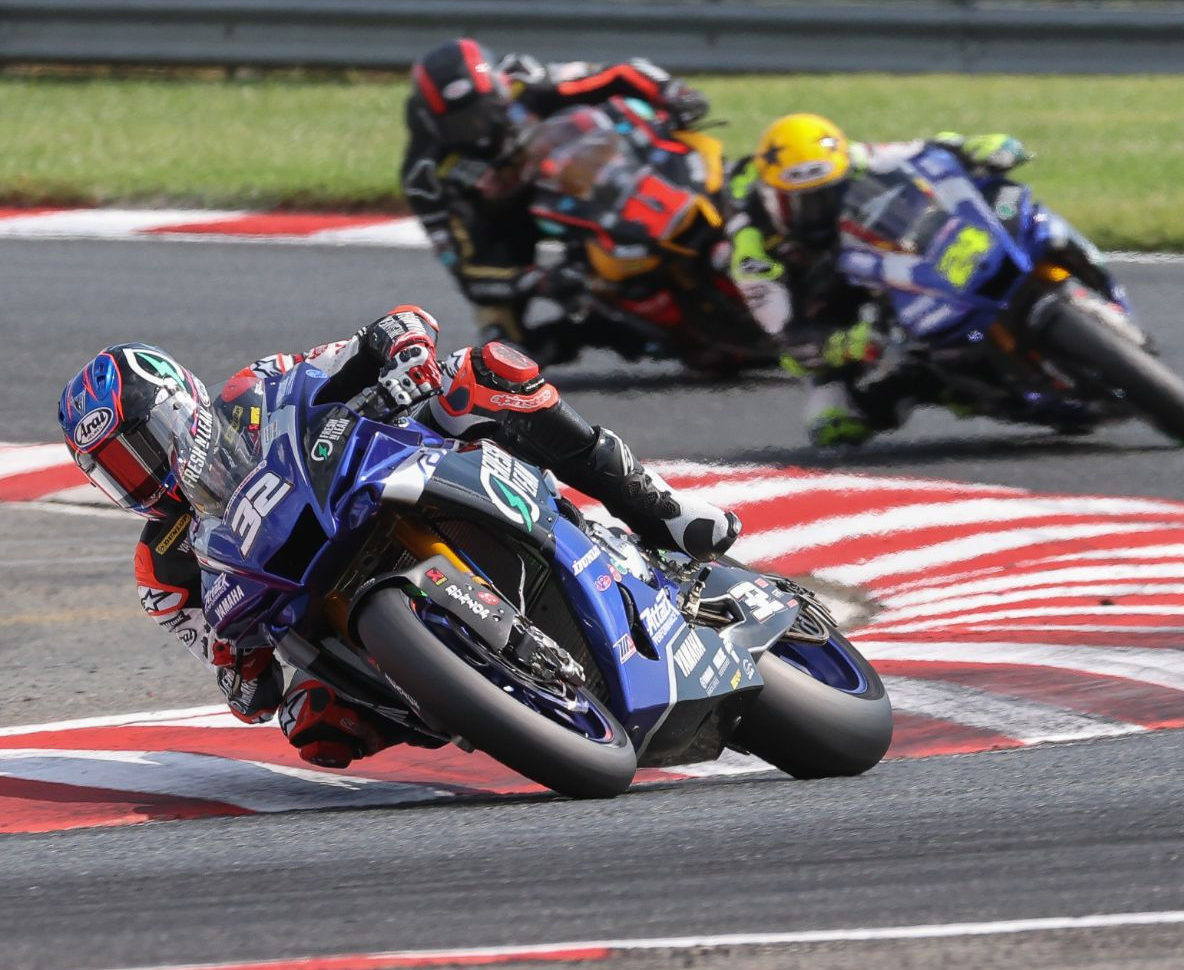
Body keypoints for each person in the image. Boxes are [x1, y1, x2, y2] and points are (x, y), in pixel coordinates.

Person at [57, 306, 740, 770]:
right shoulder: (162, 567)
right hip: (313, 603)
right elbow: (248, 695)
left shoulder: (252, 391)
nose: (138, 476)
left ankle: (660, 510)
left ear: (178, 408)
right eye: (114, 468)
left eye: (139, 448)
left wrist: (398, 347)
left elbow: (370, 342)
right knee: (313, 723)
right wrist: (238, 662)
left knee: (488, 372)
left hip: (383, 475)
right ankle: (486, 701)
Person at [724, 113, 1049, 446]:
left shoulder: (853, 158)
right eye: (801, 201)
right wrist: (848, 344)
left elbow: (922, 151)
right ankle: (956, 388)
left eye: (826, 195)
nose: (816, 209)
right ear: (771, 195)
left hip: (884, 251)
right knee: (837, 425)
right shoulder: (753, 252)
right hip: (831, 305)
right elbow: (788, 337)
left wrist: (975, 147)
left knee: (996, 198)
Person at [401, 38, 711, 362]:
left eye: (484, 112)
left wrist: (673, 92)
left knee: (658, 122)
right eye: (462, 124)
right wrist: (540, 280)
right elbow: (468, 271)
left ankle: (716, 190)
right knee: (498, 342)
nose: (478, 130)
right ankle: (578, 333)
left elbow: (619, 73)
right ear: (434, 122)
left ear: (498, 90)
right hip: (517, 220)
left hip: (586, 163)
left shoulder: (523, 79)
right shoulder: (426, 176)